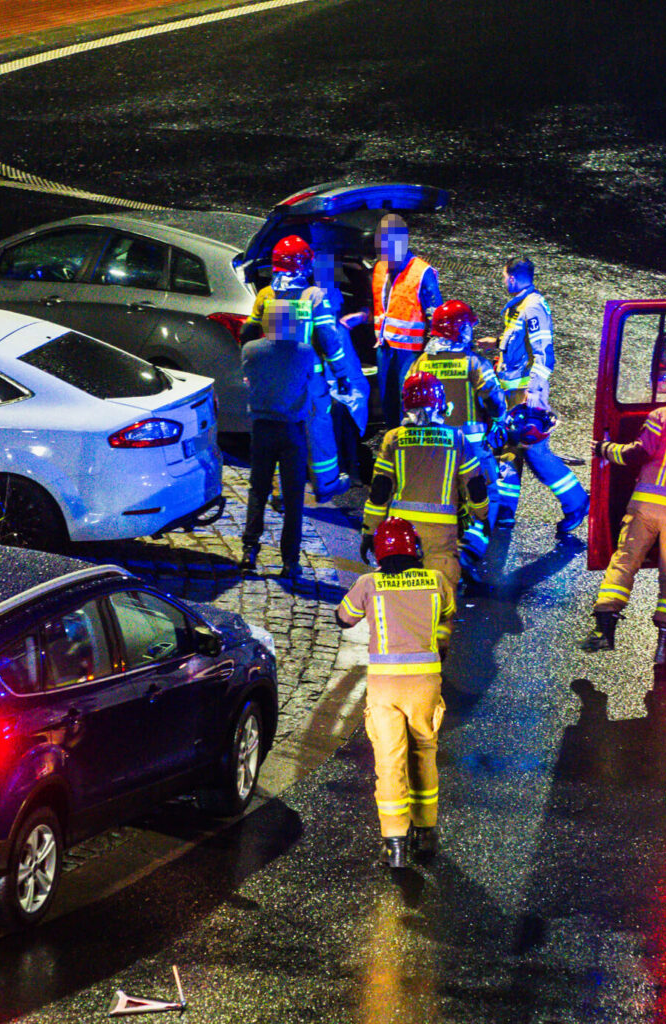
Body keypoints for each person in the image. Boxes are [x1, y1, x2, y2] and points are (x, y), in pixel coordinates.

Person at [336, 517, 455, 868]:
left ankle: (396, 843)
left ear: (380, 552)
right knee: (424, 754)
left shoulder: (368, 583)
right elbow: (447, 618)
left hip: (385, 686)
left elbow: (344, 618)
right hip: (425, 683)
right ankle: (427, 831)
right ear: (414, 549)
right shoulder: (437, 580)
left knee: (389, 762)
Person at [240, 235, 364, 500]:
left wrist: (252, 370)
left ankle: (279, 493)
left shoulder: (266, 295)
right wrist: (342, 374)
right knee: (318, 430)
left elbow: (249, 332)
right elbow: (328, 339)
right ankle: (326, 484)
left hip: (274, 380)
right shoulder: (314, 296)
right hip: (309, 380)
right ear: (304, 266)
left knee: (280, 432)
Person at [481, 255, 587, 543]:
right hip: (511, 394)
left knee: (535, 453)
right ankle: (504, 512)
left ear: (512, 278)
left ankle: (577, 502)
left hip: (526, 395)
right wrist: (497, 343)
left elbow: (545, 355)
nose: (503, 281)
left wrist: (535, 394)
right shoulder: (519, 307)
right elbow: (520, 343)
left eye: (504, 277)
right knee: (507, 449)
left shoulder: (534, 307)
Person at [579, 400, 666, 666]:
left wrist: (605, 449)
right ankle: (665, 647)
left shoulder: (664, 414)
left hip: (646, 505)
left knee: (625, 561)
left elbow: (637, 454)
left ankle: (604, 630)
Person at [407, 299, 506, 583]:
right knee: (487, 497)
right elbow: (494, 401)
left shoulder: (421, 363)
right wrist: (499, 421)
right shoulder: (475, 363)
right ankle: (467, 555)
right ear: (460, 331)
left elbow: (410, 402)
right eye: (467, 327)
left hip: (434, 447)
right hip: (472, 448)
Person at [360, 371, 489, 590]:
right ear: (440, 403)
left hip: (402, 533)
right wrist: (482, 515)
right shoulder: (457, 438)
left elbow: (380, 492)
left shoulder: (393, 438)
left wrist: (369, 532)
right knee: (441, 594)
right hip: (442, 532)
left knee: (404, 593)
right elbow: (474, 485)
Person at [239, 300, 318, 579]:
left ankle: (249, 550)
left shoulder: (251, 350)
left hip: (262, 428)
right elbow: (311, 381)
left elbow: (248, 378)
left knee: (258, 490)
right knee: (294, 497)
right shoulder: (305, 352)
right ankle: (290, 561)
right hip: (292, 431)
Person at [340, 214, 442, 430]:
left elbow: (436, 320)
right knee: (388, 404)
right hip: (385, 350)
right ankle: (394, 445)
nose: (384, 254)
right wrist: (361, 316)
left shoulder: (422, 273)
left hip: (411, 354)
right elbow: (378, 305)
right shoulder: (379, 268)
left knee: (409, 407)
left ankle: (408, 452)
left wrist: (430, 357)